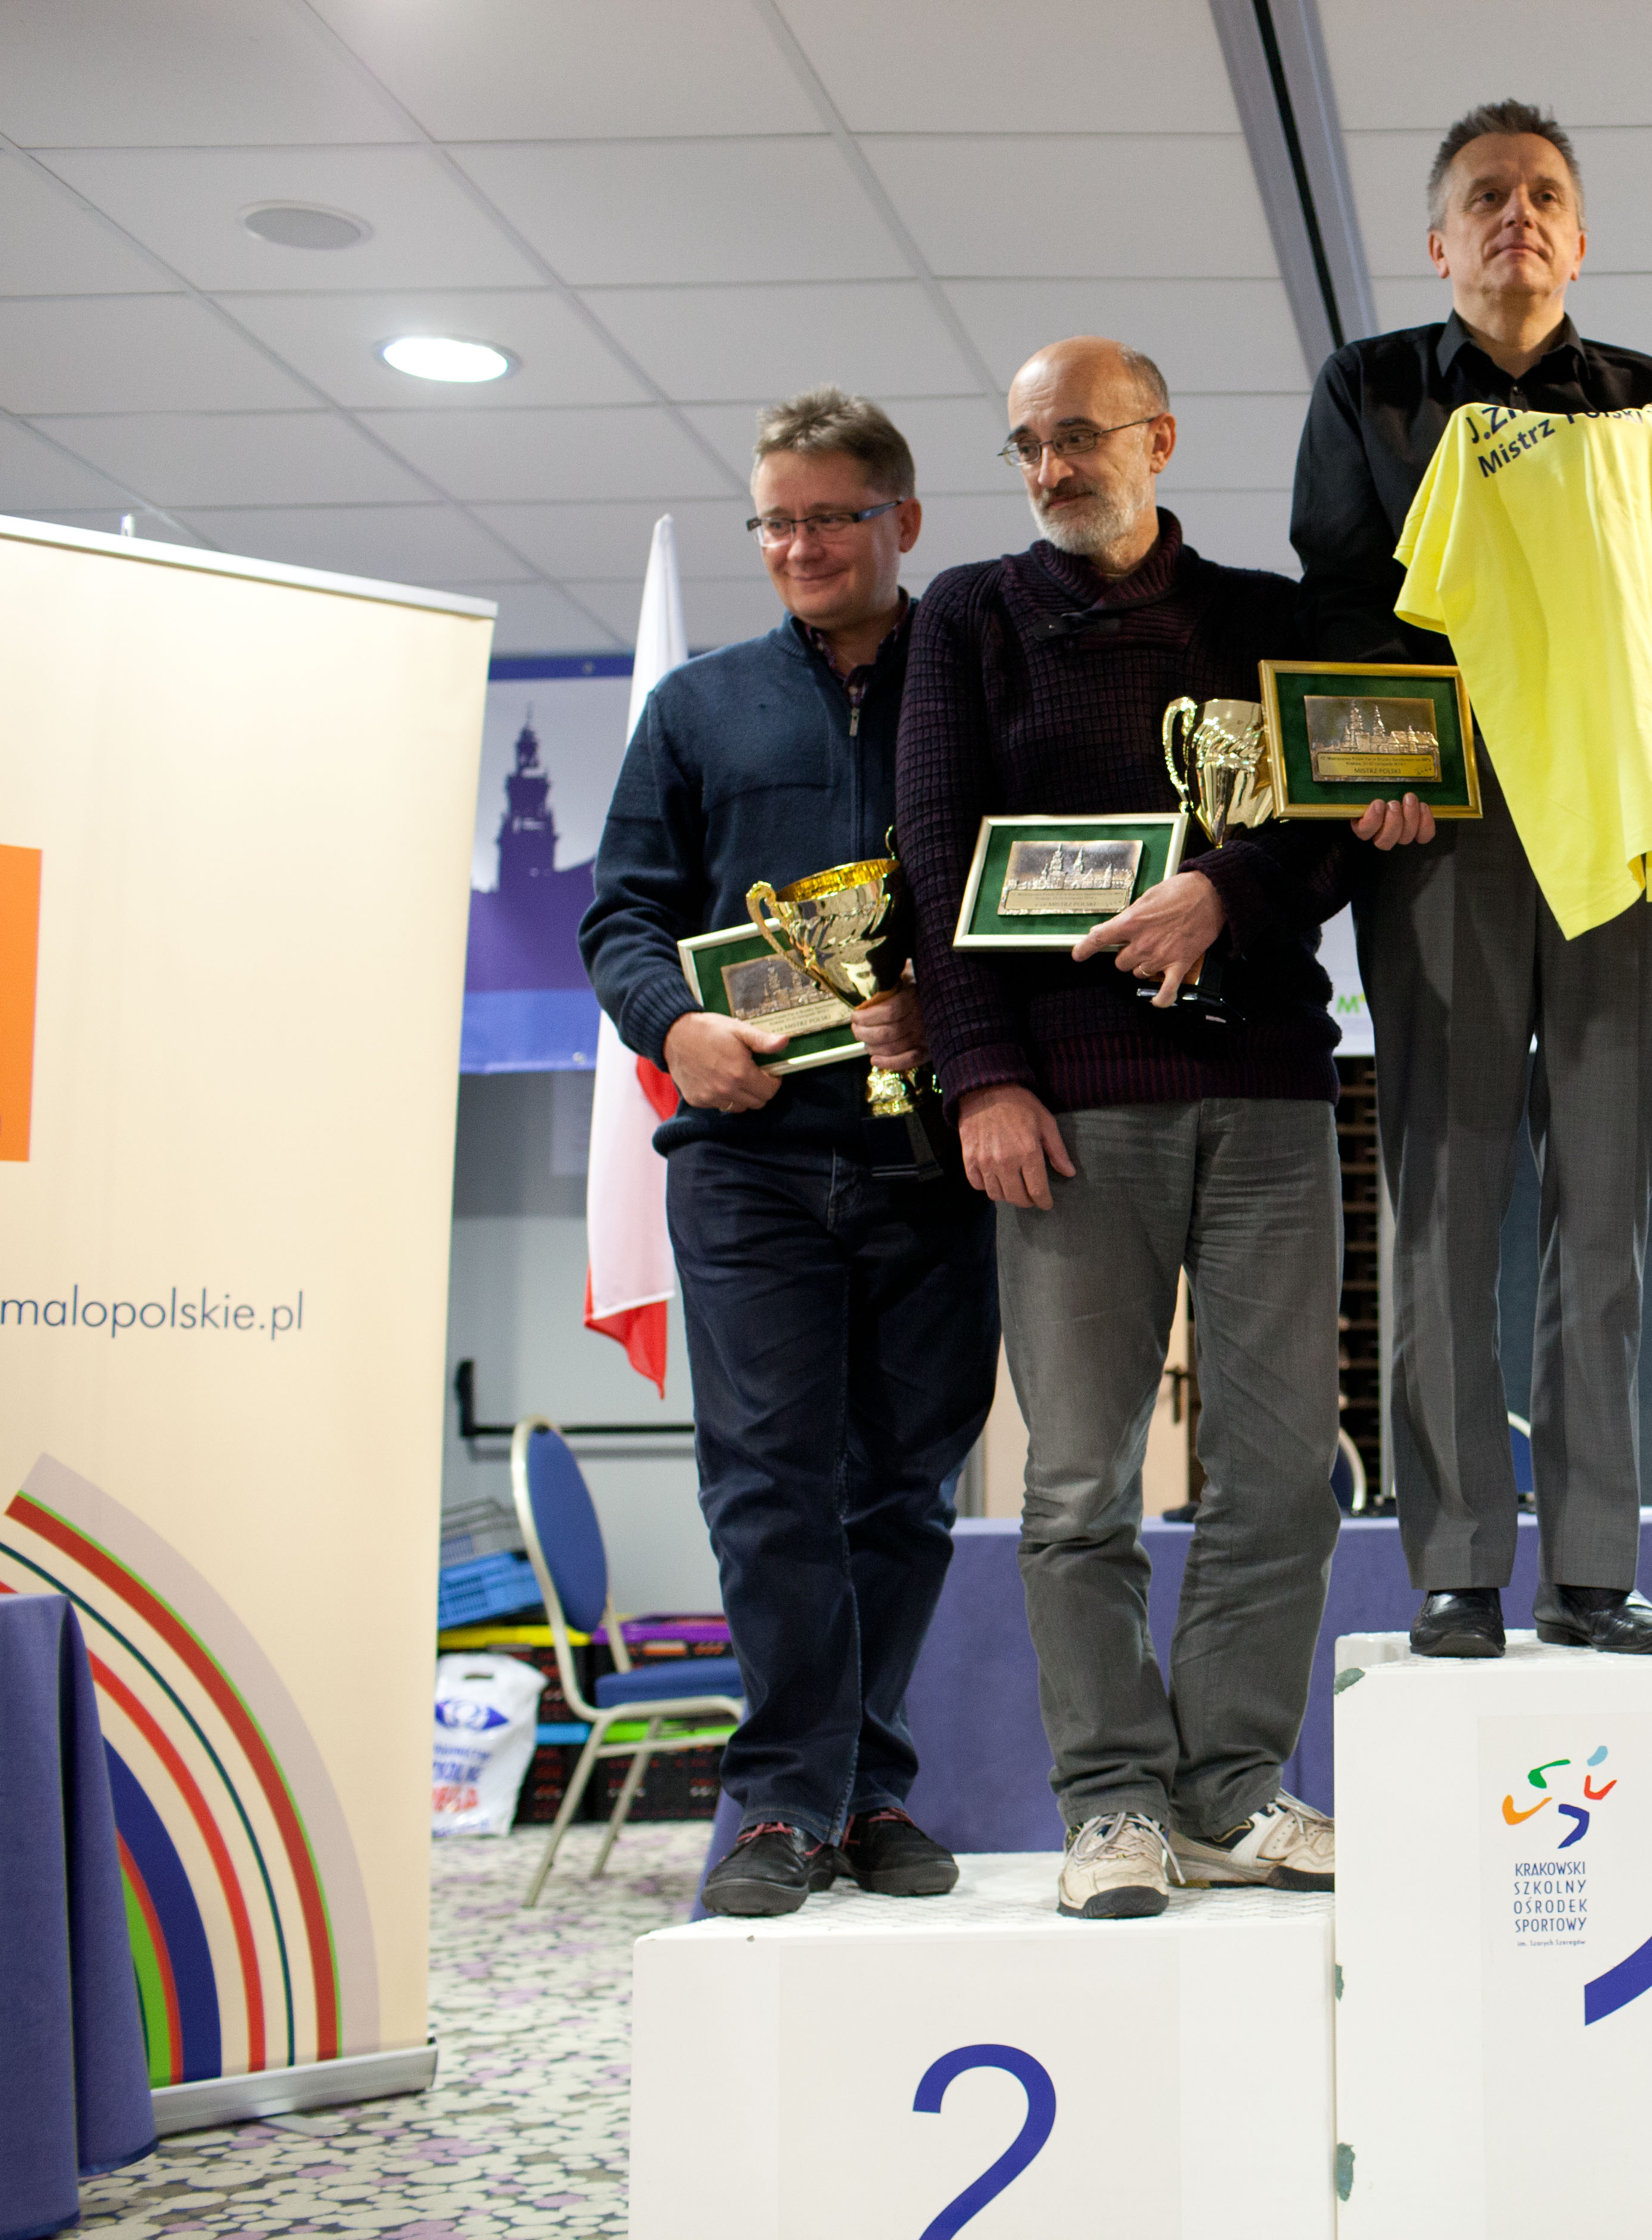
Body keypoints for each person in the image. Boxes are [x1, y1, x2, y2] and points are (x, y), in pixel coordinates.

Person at [897, 337, 1427, 1921]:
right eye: (1027, 445)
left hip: (1269, 1092)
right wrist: (983, 1078)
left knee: (1282, 1477)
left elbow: (1337, 822)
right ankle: (1114, 1802)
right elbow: (936, 855)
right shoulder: (970, 617)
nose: (1053, 467)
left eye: (1079, 435)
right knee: (1077, 1490)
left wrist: (1227, 892)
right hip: (1066, 1106)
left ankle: (1232, 1790)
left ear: (1161, 440)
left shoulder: (1269, 620)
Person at [1290, 99, 1652, 1658]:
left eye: (1542, 194)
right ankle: (1457, 1566)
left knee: (1606, 1211)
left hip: (1618, 828)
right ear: (1439, 241)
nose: (1515, 214)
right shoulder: (1371, 391)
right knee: (1445, 1201)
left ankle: (1592, 1570)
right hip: (1444, 829)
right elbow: (1343, 601)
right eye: (1485, 196)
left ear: (1578, 240)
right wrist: (1375, 765)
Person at [581, 389, 993, 1918]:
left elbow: (1029, 897)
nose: (800, 546)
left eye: (830, 517)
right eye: (775, 522)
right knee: (767, 1485)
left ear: (903, 520)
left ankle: (866, 1792)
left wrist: (949, 1008)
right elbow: (623, 915)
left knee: (903, 1490)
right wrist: (674, 1028)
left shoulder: (983, 686)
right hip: (746, 1155)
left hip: (937, 1152)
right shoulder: (699, 707)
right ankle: (777, 1804)